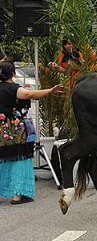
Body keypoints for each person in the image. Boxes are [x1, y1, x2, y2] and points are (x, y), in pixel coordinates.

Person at [0, 61, 63, 204]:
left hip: (0, 131)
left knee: (2, 159)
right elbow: (30, 94)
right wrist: (50, 90)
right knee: (19, 158)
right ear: (13, 74)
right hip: (14, 131)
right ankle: (18, 194)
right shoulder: (14, 89)